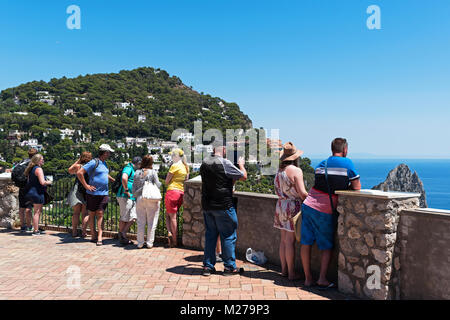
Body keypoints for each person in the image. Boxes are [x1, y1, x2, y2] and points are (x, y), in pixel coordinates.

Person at [300, 138, 361, 289]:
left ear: (332, 149)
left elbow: (319, 185)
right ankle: (321, 278)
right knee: (326, 246)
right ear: (345, 149)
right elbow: (357, 187)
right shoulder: (348, 163)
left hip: (308, 205)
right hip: (324, 209)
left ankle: (307, 279)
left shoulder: (322, 164)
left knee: (306, 242)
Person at [200, 144, 247, 276]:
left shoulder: (204, 163)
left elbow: (214, 181)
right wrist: (241, 164)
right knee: (228, 235)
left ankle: (208, 267)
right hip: (223, 205)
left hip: (207, 205)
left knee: (210, 236)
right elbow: (243, 176)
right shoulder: (225, 163)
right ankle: (229, 267)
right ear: (223, 149)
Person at [274, 142, 309, 281]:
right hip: (292, 206)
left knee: (283, 241)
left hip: (280, 205)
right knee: (290, 242)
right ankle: (292, 273)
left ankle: (284, 270)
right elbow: (303, 193)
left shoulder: (279, 171)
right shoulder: (296, 171)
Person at [77, 144, 116, 246]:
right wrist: (86, 186)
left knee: (100, 214)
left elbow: (104, 174)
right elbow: (79, 173)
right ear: (105, 152)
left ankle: (99, 236)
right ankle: (94, 234)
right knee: (92, 214)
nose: (109, 154)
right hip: (93, 193)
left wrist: (113, 180)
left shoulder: (104, 163)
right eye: (109, 152)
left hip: (104, 193)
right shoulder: (94, 162)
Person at [132, 155, 162, 249]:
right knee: (151, 222)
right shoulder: (153, 172)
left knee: (140, 222)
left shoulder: (137, 172)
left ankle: (140, 243)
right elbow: (158, 184)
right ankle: (149, 243)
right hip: (150, 198)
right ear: (151, 163)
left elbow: (134, 187)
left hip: (140, 198)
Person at [164, 148, 189, 247]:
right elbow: (186, 181)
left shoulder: (174, 166)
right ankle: (170, 232)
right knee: (168, 215)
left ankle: (173, 240)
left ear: (176, 156)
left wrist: (169, 182)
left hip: (172, 191)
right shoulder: (186, 167)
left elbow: (166, 181)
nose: (171, 157)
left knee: (172, 217)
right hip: (181, 193)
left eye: (172, 155)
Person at [24, 154, 52, 235]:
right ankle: (36, 230)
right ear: (37, 160)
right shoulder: (39, 169)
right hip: (38, 192)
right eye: (41, 159)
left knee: (35, 211)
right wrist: (49, 182)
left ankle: (35, 228)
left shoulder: (31, 169)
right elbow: (42, 182)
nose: (43, 160)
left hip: (31, 192)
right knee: (37, 212)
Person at [116, 156, 141, 246]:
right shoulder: (128, 168)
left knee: (133, 216)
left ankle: (123, 234)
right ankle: (122, 236)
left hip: (131, 197)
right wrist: (126, 190)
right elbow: (124, 178)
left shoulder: (133, 169)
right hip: (124, 196)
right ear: (138, 163)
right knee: (124, 217)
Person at [67, 152, 93, 237]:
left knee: (76, 213)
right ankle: (84, 232)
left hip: (77, 190)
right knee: (85, 213)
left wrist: (78, 160)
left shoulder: (78, 166)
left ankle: (74, 232)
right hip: (87, 190)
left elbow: (70, 170)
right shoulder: (91, 167)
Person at [14, 148, 38, 233]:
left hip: (21, 187)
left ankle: (23, 225)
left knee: (21, 207)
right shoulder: (32, 164)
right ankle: (29, 226)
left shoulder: (22, 162)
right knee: (28, 208)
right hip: (29, 187)